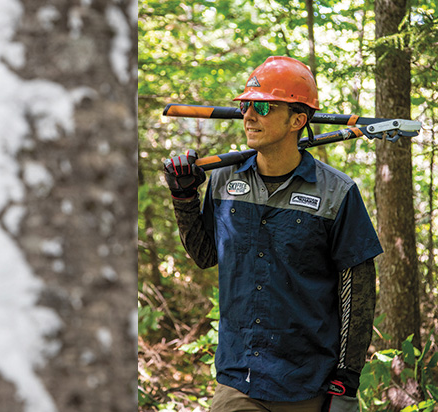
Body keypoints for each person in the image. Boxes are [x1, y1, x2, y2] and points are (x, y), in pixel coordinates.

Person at [163, 56, 382, 412]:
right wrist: (184, 197)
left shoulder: (337, 193)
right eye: (247, 105)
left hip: (308, 383)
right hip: (239, 379)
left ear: (298, 119)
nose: (249, 116)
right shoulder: (222, 181)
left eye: (263, 106)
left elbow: (357, 295)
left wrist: (347, 383)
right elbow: (205, 256)